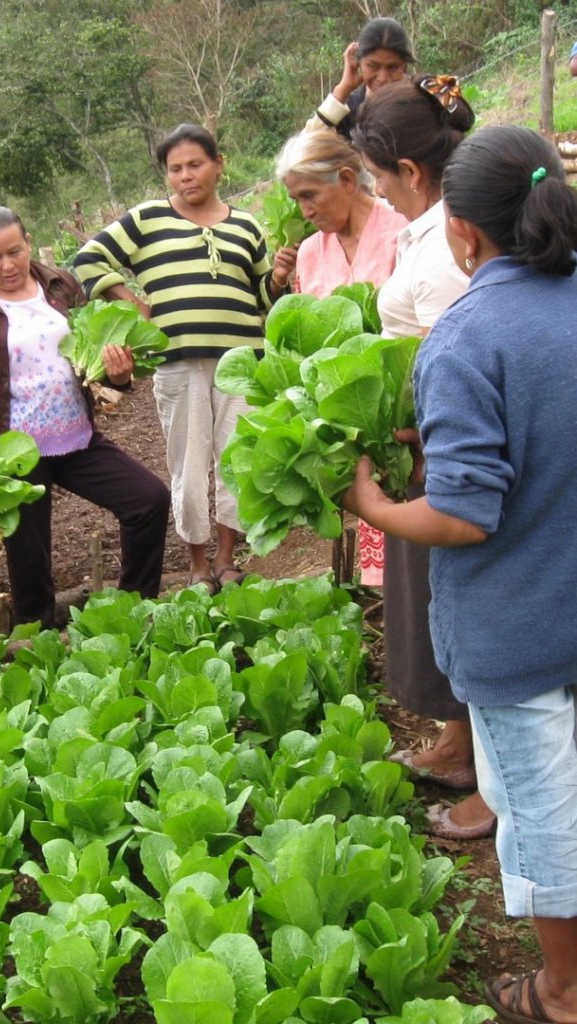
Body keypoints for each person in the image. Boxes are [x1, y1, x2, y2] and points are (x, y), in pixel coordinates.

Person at [343, 124, 577, 1024]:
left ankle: (561, 992)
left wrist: (369, 508)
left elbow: (463, 515)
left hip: (518, 626)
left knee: (542, 815)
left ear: (465, 234)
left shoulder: (466, 335)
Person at [351, 75, 496, 840]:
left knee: (462, 602)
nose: (374, 187)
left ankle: (490, 776)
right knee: (432, 602)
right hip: (423, 446)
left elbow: (461, 364)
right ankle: (458, 741)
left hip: (448, 453)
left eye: (377, 173)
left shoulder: (446, 244)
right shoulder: (426, 227)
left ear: (408, 171)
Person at [0, 206, 169, 629]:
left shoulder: (61, 285)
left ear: (28, 242)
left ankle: (135, 611)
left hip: (76, 438)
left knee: (148, 500)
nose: (7, 265)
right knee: (28, 558)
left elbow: (97, 355)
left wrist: (119, 377)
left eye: (14, 251)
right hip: (17, 453)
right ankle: (38, 641)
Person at [73, 124, 273, 591]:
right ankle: (198, 563)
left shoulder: (246, 225)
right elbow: (87, 258)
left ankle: (227, 557)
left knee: (235, 457)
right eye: (176, 168)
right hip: (178, 362)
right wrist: (128, 299)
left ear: (218, 164)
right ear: (166, 175)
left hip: (241, 361)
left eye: (195, 164)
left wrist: (280, 275)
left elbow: (264, 295)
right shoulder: (147, 220)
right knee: (188, 459)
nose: (186, 176)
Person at [271, 129, 407, 587]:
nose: (305, 211)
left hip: (406, 410)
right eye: (296, 199)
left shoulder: (402, 230)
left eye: (310, 195)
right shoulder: (310, 252)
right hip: (354, 419)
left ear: (347, 179)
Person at [306, 17, 413, 139]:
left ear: (404, 65)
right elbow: (305, 149)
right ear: (359, 63)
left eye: (393, 67)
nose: (383, 78)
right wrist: (341, 91)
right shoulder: (348, 111)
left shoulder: (424, 102)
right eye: (373, 66)